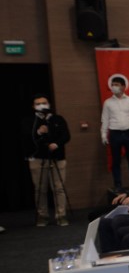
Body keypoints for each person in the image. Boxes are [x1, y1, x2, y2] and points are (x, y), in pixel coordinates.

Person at [24, 95, 71, 227]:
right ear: (33, 106)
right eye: (38, 104)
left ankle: (61, 215)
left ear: (49, 104)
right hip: (37, 158)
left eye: (44, 103)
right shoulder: (29, 121)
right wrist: (39, 132)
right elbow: (25, 137)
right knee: (40, 189)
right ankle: (42, 216)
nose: (42, 106)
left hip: (57, 158)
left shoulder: (57, 119)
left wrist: (57, 144)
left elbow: (66, 135)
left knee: (59, 188)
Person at [100, 75, 129, 191]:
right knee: (116, 161)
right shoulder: (108, 103)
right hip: (115, 133)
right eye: (112, 85)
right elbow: (105, 119)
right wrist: (103, 134)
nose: (114, 87)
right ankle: (118, 185)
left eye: (116, 85)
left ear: (123, 87)